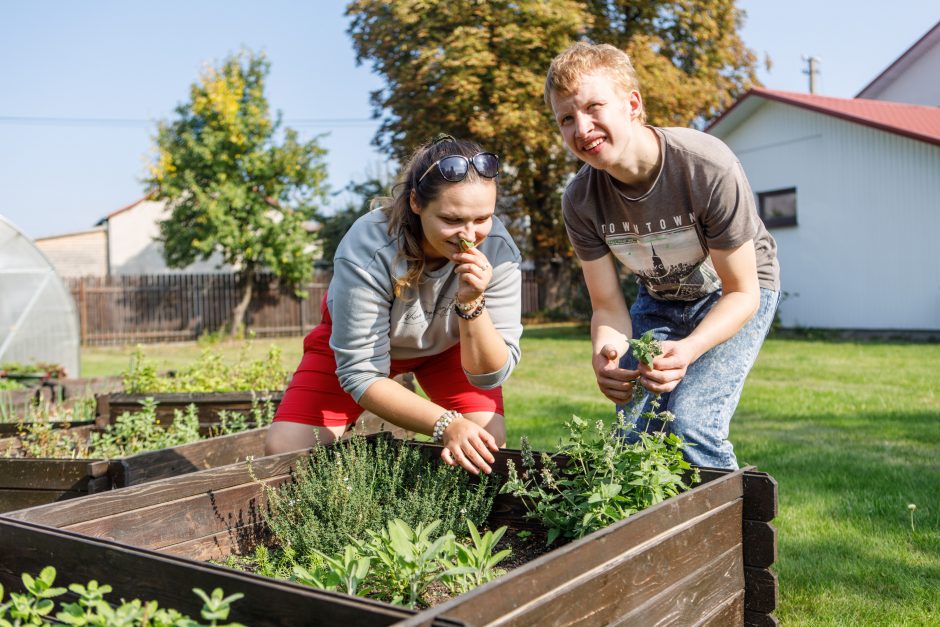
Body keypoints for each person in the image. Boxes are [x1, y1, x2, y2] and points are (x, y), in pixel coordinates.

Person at [544, 42, 780, 469]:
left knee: (691, 424)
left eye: (594, 107)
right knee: (634, 432)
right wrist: (607, 353)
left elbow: (742, 292)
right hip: (659, 299)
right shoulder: (580, 199)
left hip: (736, 290)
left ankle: (733, 534)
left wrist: (689, 349)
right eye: (566, 118)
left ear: (632, 104)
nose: (582, 128)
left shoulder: (705, 166)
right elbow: (607, 305)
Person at [265, 135, 523, 475]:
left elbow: (490, 375)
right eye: (452, 219)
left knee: (486, 442)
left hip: (448, 349)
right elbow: (360, 373)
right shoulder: (368, 244)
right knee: (285, 451)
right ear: (416, 202)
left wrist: (473, 303)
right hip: (363, 350)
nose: (469, 235)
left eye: (482, 218)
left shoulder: (500, 250)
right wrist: (446, 424)